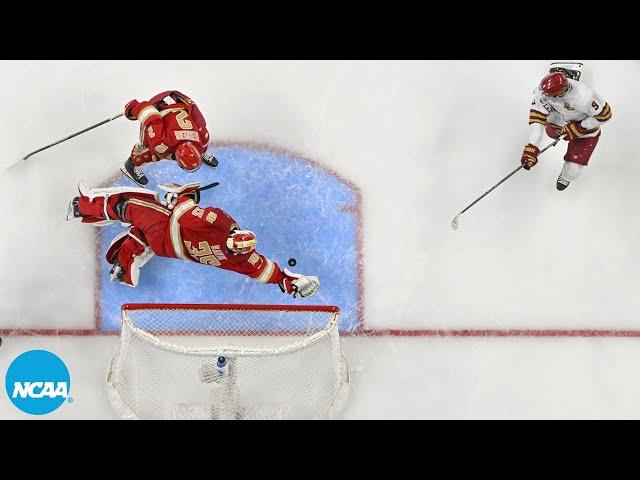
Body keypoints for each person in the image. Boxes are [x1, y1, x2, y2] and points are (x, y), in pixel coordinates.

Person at [66, 182, 319, 298]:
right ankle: (123, 268)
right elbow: (266, 271)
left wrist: (184, 194)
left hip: (165, 230)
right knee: (142, 234)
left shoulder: (219, 222)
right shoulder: (245, 260)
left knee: (131, 205)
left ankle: (83, 207)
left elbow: (184, 214)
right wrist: (287, 280)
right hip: (167, 249)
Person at [521, 68, 612, 190]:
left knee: (572, 171)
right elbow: (537, 118)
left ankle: (566, 176)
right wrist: (532, 146)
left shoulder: (584, 96)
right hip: (559, 124)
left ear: (562, 93)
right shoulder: (541, 92)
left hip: (584, 133)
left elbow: (605, 116)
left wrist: (581, 126)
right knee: (550, 132)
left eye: (549, 95)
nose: (543, 97)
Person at [121, 90, 218, 186]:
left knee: (203, 134)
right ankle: (130, 164)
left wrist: (201, 151)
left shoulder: (199, 141)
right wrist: (133, 108)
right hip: (157, 104)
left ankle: (203, 153)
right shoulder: (161, 144)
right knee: (152, 152)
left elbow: (200, 126)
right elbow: (151, 117)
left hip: (178, 98)